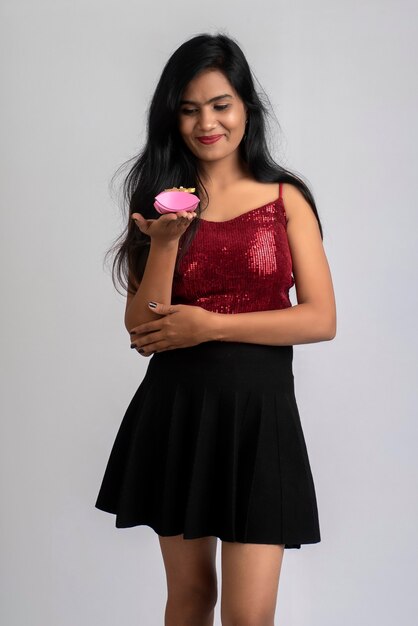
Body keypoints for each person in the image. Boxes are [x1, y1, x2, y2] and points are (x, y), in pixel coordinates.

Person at [95, 32, 336, 626]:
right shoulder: (163, 203)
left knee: (249, 616)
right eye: (188, 108)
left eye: (220, 103)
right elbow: (142, 328)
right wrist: (165, 246)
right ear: (172, 118)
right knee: (190, 598)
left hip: (261, 418)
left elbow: (320, 319)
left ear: (246, 107)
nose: (207, 122)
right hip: (177, 413)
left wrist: (210, 326)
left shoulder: (285, 199)